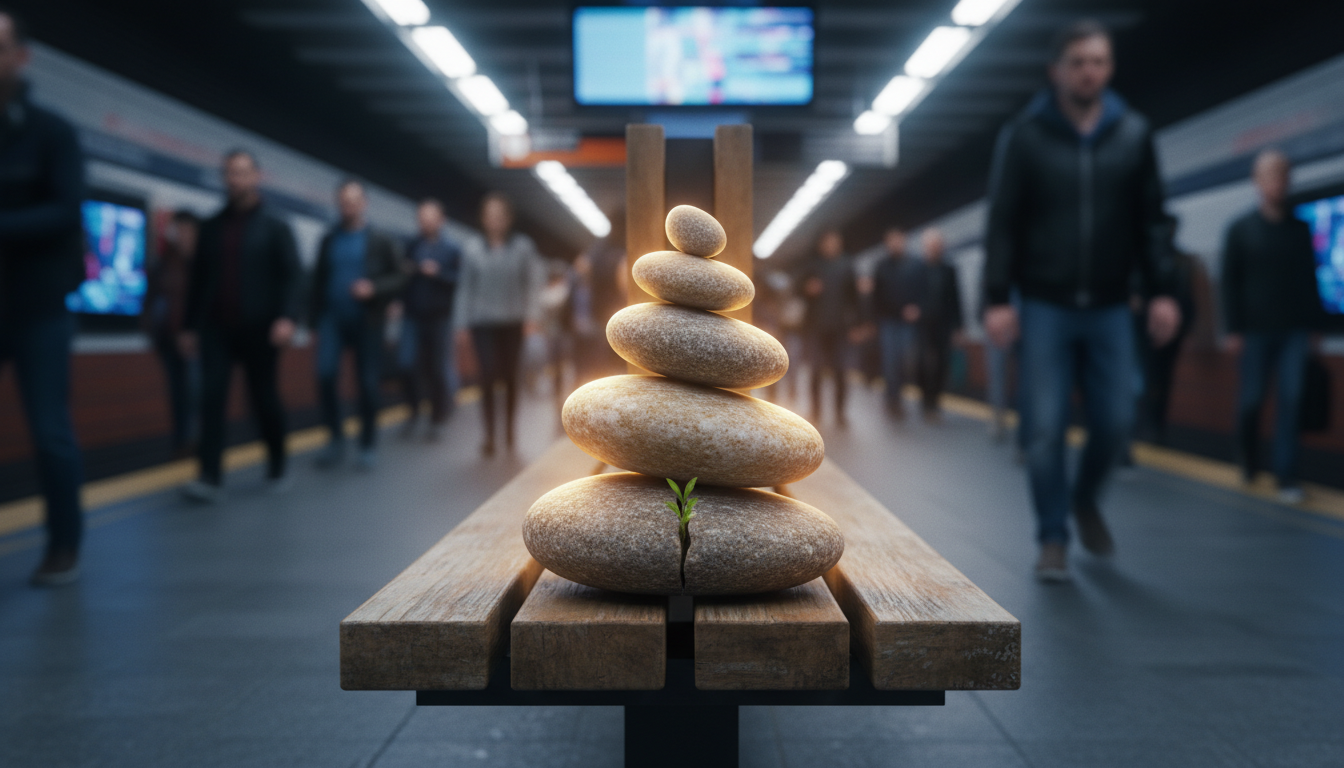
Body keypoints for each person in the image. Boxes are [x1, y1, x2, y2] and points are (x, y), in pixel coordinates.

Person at [982, 20, 1181, 582]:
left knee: (1116, 421)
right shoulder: (1025, 135)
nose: (1089, 71)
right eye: (1078, 62)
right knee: (1044, 427)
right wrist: (998, 297)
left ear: (1109, 68)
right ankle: (1052, 537)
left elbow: (1151, 222)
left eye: (1098, 61)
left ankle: (1085, 498)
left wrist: (1162, 289)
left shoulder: (1133, 134)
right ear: (1056, 71)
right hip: (1044, 304)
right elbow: (1003, 222)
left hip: (1113, 306)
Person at [0, 8, 86, 586]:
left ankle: (63, 545)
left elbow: (65, 210)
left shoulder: (51, 131)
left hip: (38, 306)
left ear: (20, 56)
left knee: (50, 429)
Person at [180, 150, 302, 503]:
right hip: (217, 328)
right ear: (224, 178)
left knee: (263, 398)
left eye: (243, 173)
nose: (236, 179)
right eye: (230, 173)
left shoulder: (275, 226)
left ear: (255, 177)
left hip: (260, 329)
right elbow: (198, 282)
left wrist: (287, 317)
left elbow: (292, 277)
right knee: (211, 398)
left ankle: (277, 463)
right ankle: (210, 475)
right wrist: (189, 327)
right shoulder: (211, 227)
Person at [1222, 150, 1327, 503]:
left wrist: (1315, 327)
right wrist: (1233, 329)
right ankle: (1248, 460)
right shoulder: (1239, 229)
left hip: (1294, 330)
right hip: (1254, 331)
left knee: (1291, 400)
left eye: (1283, 176)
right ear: (1258, 182)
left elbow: (1309, 280)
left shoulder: (1299, 229)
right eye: (1270, 176)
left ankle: (1286, 474)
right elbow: (1229, 283)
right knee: (1251, 400)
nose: (1278, 184)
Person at [310, 179, 409, 469]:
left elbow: (400, 276)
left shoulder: (380, 239)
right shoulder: (328, 239)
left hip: (367, 320)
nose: (348, 205)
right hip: (332, 319)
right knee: (325, 374)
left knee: (367, 383)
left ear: (364, 203)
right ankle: (335, 439)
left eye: (354, 200)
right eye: (343, 200)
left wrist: (374, 288)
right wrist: (311, 319)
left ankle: (367, 443)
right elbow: (316, 281)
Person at [454, 192, 543, 456]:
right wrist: (461, 324)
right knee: (487, 376)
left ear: (508, 219)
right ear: (483, 219)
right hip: (482, 323)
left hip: (513, 322)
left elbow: (532, 284)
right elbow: (464, 289)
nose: (495, 221)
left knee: (510, 377)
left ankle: (510, 432)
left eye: (500, 216)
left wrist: (532, 317)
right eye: (489, 215)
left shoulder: (523, 247)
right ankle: (490, 436)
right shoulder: (472, 248)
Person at [398, 197, 460, 442]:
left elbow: (459, 282)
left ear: (441, 221)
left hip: (440, 317)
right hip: (412, 314)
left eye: (430, 218)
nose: (426, 223)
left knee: (437, 369)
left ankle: (437, 418)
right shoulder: (411, 245)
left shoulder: (452, 249)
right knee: (406, 363)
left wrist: (439, 273)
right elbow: (402, 275)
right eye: (422, 218)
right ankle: (413, 411)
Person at [142, 210, 200, 458]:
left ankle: (196, 439)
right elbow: (151, 298)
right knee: (177, 392)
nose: (183, 235)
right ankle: (181, 441)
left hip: (195, 341)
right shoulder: (164, 263)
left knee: (194, 391)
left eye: (188, 230)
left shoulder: (203, 263)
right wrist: (150, 330)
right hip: (167, 339)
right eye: (179, 230)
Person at [801, 229, 858, 426]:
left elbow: (854, 298)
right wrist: (807, 290)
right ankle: (815, 411)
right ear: (821, 244)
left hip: (840, 328)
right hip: (816, 328)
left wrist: (857, 324)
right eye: (827, 241)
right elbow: (797, 290)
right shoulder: (812, 266)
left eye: (834, 241)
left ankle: (840, 413)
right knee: (815, 371)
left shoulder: (847, 266)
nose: (831, 245)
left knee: (841, 372)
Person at [869, 228, 924, 419]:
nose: (895, 244)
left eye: (898, 240)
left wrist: (917, 308)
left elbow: (923, 292)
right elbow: (875, 298)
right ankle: (893, 400)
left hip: (908, 323)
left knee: (905, 362)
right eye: (891, 241)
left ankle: (897, 396)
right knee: (891, 363)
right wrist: (874, 322)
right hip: (888, 322)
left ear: (904, 241)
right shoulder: (881, 266)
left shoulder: (916, 264)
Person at [915, 229, 964, 419]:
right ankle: (925, 400)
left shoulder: (949, 269)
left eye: (937, 245)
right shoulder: (918, 269)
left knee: (942, 363)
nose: (935, 248)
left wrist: (958, 326)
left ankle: (934, 402)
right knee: (922, 363)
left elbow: (956, 299)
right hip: (923, 325)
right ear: (926, 247)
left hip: (943, 324)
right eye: (931, 245)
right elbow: (911, 295)